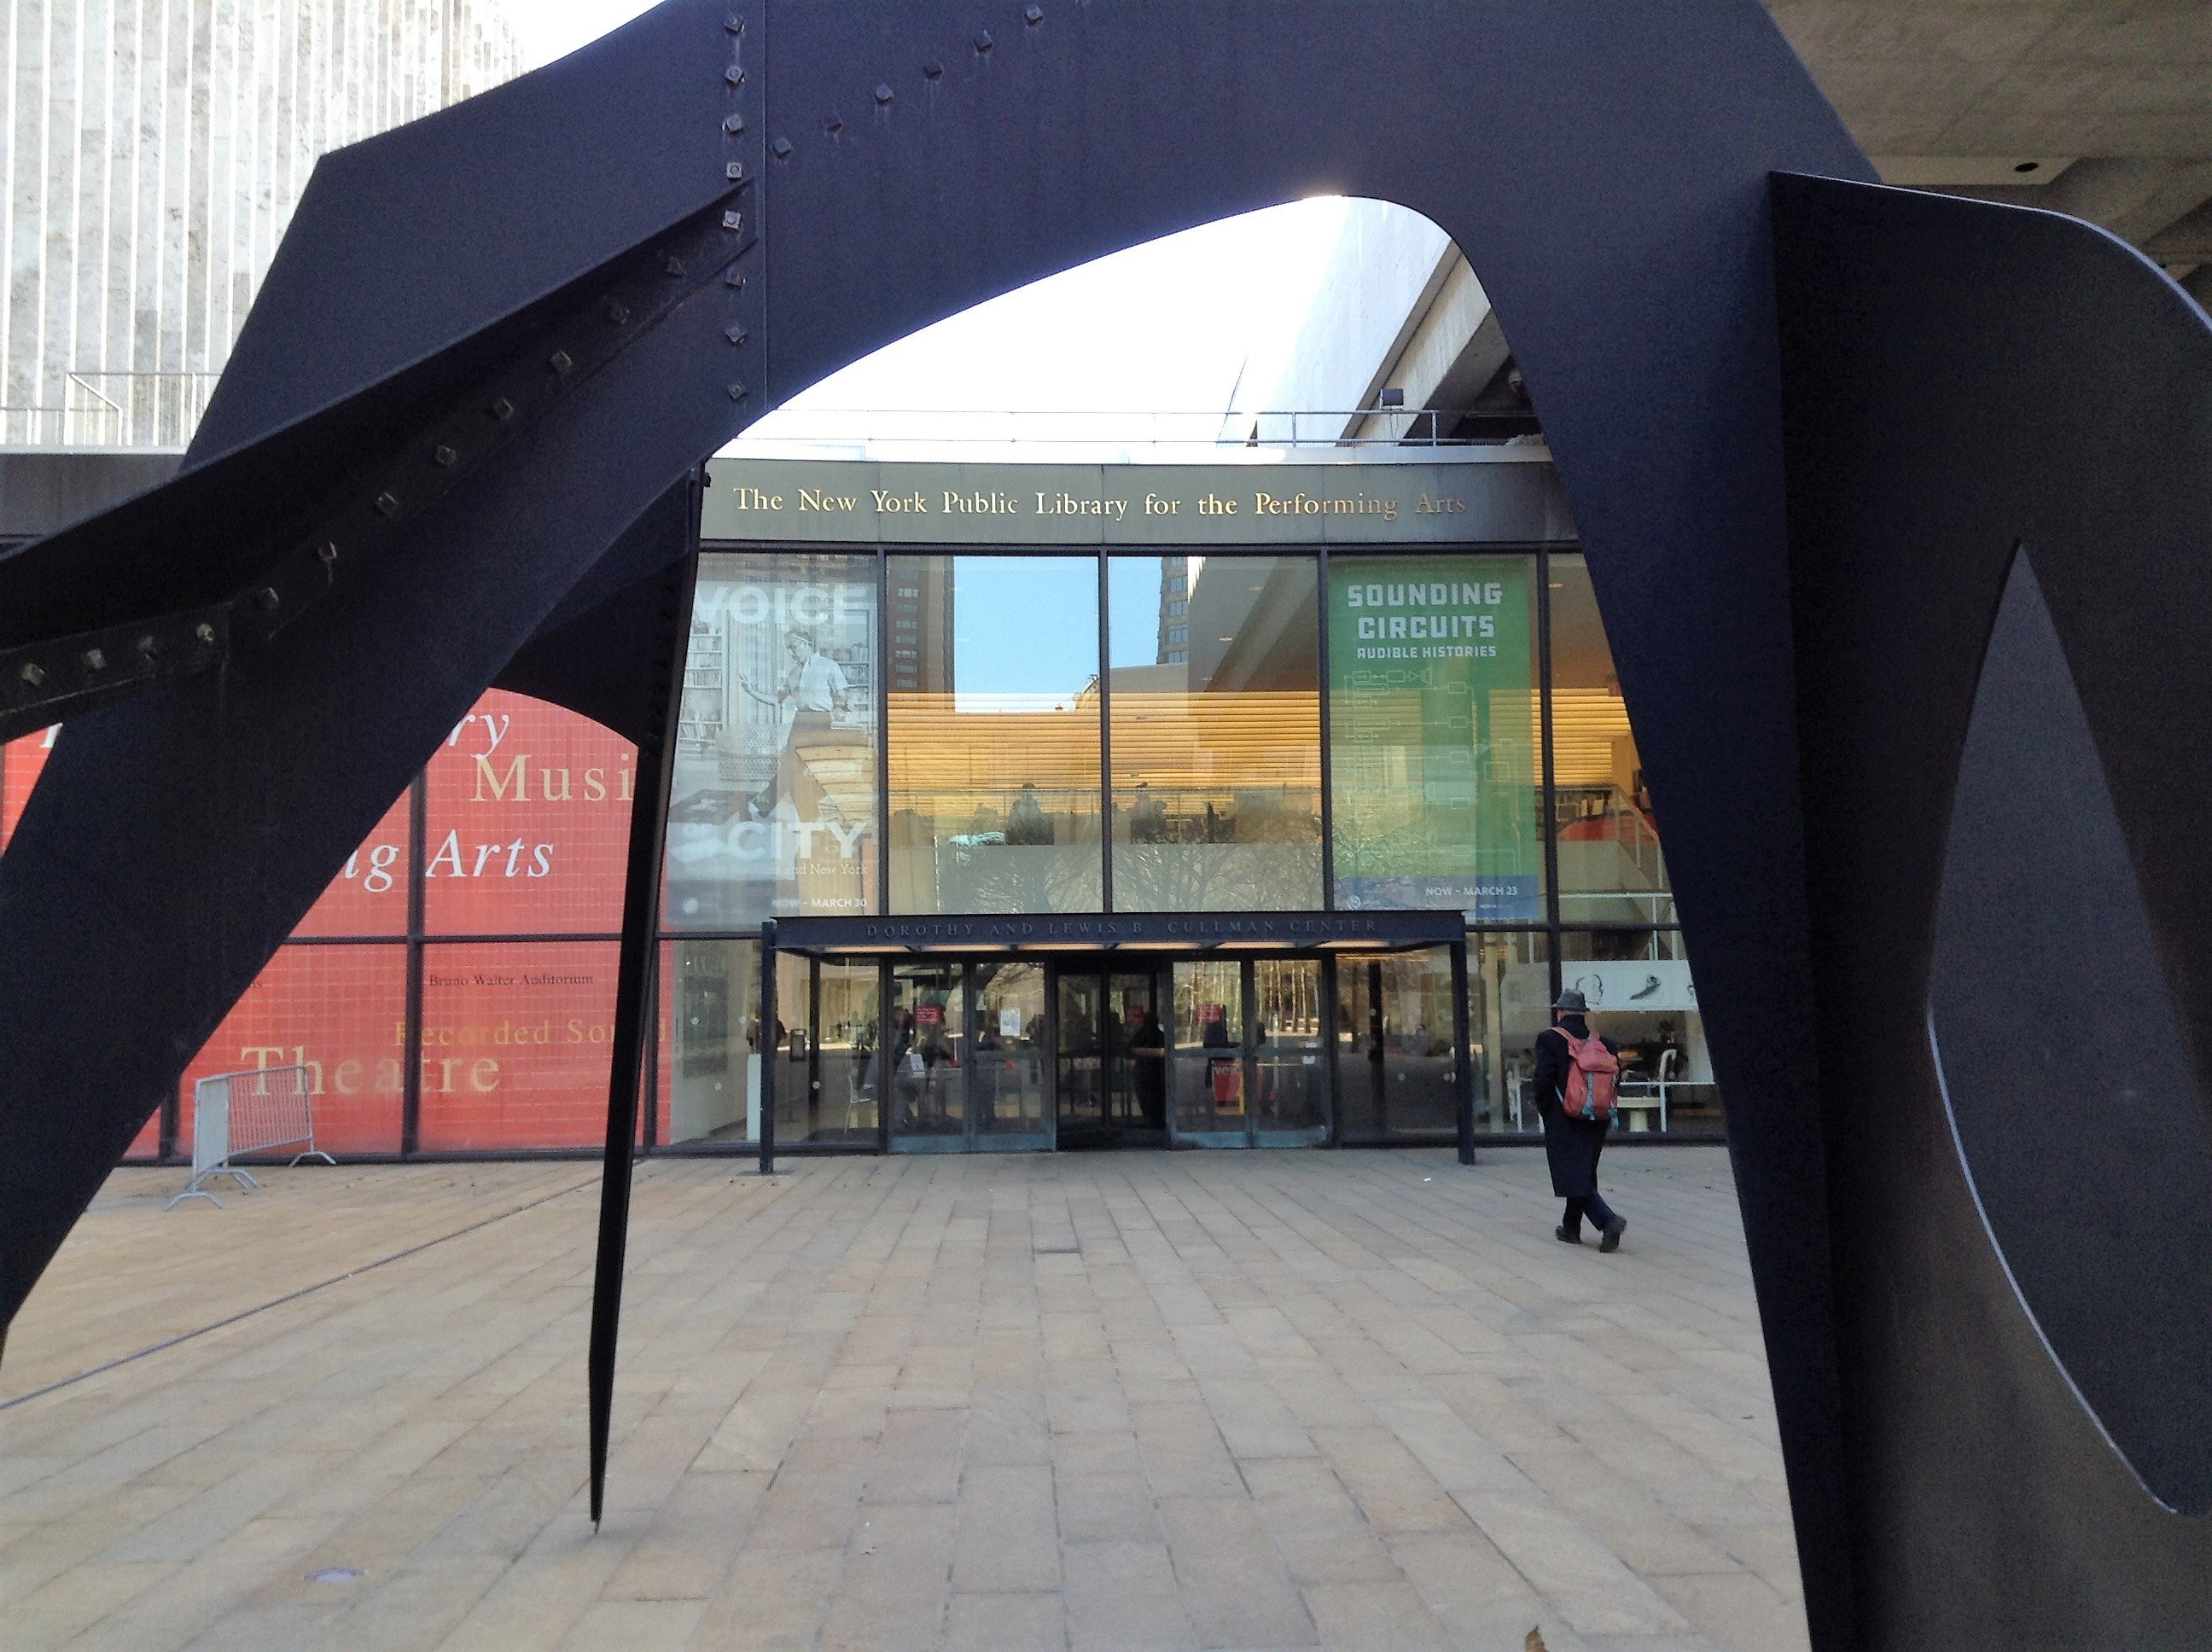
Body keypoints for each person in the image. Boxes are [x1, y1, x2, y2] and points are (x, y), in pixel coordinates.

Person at [1531, 987, 1627, 1251]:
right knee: (1583, 1172)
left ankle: (1608, 1220)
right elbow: (1617, 1082)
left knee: (1571, 1174)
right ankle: (1571, 1228)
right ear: (1582, 1014)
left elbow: (1542, 1081)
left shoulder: (1550, 1040)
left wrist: (1546, 1111)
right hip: (1598, 1117)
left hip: (1565, 1116)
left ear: (1561, 1012)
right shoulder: (1605, 1044)